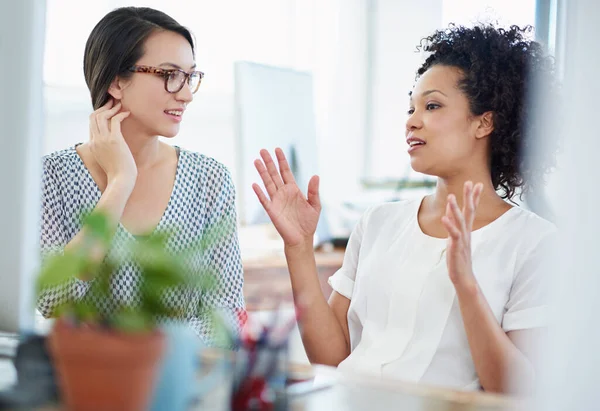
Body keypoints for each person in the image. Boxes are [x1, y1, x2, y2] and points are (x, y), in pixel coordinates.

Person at [253, 24, 558, 392]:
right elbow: (331, 360)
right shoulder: (378, 222)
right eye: (411, 107)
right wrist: (299, 249)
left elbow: (517, 391)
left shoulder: (534, 242)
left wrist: (466, 285)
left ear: (484, 122)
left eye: (432, 106)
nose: (412, 120)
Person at [37, 7, 245, 347]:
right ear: (117, 81)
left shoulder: (210, 180)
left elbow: (226, 319)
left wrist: (138, 350)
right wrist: (120, 182)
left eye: (190, 76)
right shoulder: (52, 177)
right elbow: (53, 301)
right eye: (169, 75)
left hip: (183, 386)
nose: (186, 94)